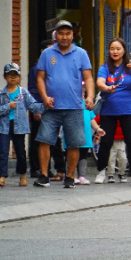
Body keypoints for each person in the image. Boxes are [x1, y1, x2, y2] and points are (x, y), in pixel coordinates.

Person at [34, 21, 95, 188]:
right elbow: (40, 77)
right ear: (56, 35)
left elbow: (88, 78)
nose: (64, 37)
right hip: (51, 106)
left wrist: (89, 97)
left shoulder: (81, 53)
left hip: (74, 106)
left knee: (74, 143)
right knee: (44, 140)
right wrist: (44, 97)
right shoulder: (47, 53)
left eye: (68, 34)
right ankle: (44, 175)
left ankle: (70, 177)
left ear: (72, 35)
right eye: (61, 33)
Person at [94, 38, 131, 186]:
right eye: (112, 49)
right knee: (106, 141)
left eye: (118, 49)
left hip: (128, 109)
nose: (115, 52)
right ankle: (101, 171)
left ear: (124, 51)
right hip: (109, 110)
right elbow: (100, 82)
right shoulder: (105, 67)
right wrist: (107, 88)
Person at [0, 63, 44, 187]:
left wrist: (45, 105)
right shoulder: (0, 94)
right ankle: (2, 177)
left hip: (20, 126)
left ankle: (23, 175)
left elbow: (33, 105)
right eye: (10, 75)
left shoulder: (23, 92)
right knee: (3, 151)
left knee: (20, 151)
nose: (13, 78)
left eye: (15, 75)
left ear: (19, 77)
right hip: (4, 126)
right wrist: (7, 106)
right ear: (5, 77)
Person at [27, 39, 60, 180]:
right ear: (42, 51)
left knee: (51, 140)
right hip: (40, 107)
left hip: (53, 108)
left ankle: (47, 168)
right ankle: (36, 168)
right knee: (37, 139)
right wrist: (36, 109)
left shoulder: (55, 67)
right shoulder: (36, 69)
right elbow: (33, 90)